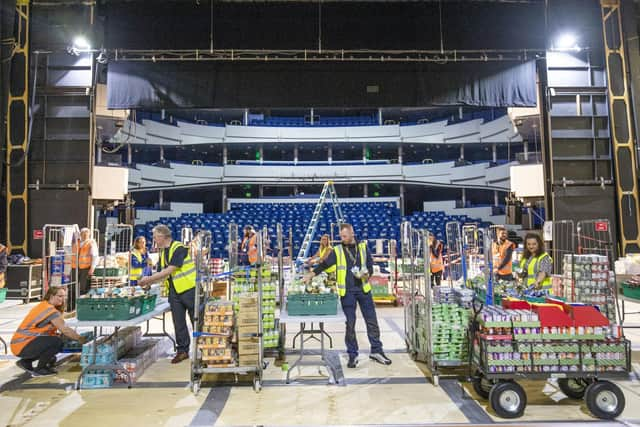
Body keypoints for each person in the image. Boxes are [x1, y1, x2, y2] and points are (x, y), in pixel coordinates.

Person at [304, 223, 392, 368]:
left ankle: (377, 350)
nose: (342, 238)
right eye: (341, 236)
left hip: (364, 290)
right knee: (350, 325)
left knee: (372, 321)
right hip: (348, 293)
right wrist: (311, 274)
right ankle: (353, 354)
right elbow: (325, 265)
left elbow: (370, 265)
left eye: (345, 236)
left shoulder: (362, 247)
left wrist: (366, 274)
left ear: (352, 233)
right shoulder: (338, 250)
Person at [138, 225, 195, 364]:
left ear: (162, 236)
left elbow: (170, 270)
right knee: (178, 322)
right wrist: (150, 284)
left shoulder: (179, 248)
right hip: (174, 292)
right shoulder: (163, 252)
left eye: (155, 237)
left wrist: (149, 279)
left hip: (189, 289)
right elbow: (163, 273)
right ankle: (182, 351)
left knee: (196, 321)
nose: (154, 240)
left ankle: (203, 349)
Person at [11, 286, 86, 376]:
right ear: (51, 296)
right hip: (22, 345)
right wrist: (80, 338)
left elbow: (44, 330)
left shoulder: (44, 305)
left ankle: (26, 362)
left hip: (20, 344)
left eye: (64, 296)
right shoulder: (50, 311)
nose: (63, 299)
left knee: (55, 343)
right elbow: (65, 330)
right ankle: (40, 369)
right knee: (56, 342)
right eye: (60, 296)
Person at [72, 228, 98, 296]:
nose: (84, 235)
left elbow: (95, 256)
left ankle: (81, 303)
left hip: (85, 268)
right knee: (72, 287)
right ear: (80, 234)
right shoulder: (77, 242)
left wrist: (92, 268)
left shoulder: (91, 243)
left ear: (89, 234)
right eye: (83, 233)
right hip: (75, 268)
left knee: (83, 288)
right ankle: (72, 304)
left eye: (86, 233)